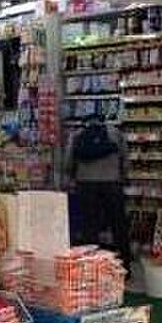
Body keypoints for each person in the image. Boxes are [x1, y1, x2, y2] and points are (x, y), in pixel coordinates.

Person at [69, 116, 131, 271]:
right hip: (111, 183)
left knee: (89, 227)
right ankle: (124, 264)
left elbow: (69, 162)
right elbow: (125, 159)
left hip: (85, 184)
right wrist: (122, 177)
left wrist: (74, 177)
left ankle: (90, 266)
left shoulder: (77, 135)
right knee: (118, 225)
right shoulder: (115, 133)